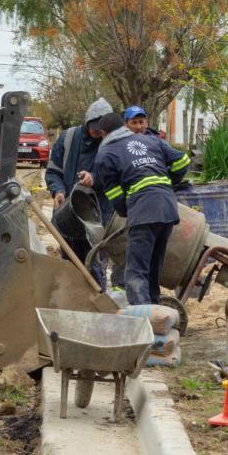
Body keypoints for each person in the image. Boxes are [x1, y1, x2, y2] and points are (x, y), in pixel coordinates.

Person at [95, 112, 190, 305]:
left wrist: (128, 211)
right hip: (168, 209)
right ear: (123, 125)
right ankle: (156, 313)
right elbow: (183, 161)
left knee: (136, 271)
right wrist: (167, 184)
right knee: (154, 268)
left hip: (143, 211)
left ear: (104, 133)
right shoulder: (151, 141)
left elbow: (115, 196)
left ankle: (144, 320)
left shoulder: (106, 154)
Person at [45, 98, 113, 287]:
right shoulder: (68, 138)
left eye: (102, 129)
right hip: (69, 214)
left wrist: (95, 178)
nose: (97, 132)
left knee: (96, 269)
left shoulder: (111, 143)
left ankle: (97, 303)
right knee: (71, 267)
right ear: (86, 122)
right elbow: (53, 171)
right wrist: (58, 190)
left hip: (98, 217)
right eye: (94, 128)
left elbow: (115, 175)